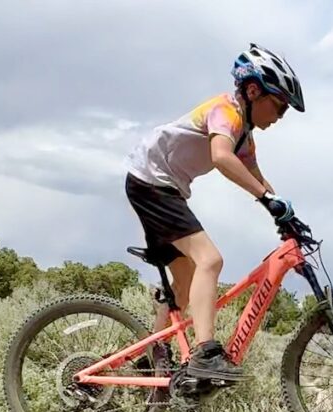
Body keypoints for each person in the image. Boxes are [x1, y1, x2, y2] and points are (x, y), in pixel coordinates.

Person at [124, 44, 305, 381]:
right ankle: (205, 354)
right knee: (210, 260)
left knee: (186, 279)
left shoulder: (244, 136)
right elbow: (221, 157)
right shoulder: (226, 112)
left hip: (162, 186)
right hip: (151, 183)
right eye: (279, 106)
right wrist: (266, 199)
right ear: (254, 91)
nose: (280, 117)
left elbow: (256, 177)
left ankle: (153, 356)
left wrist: (284, 211)